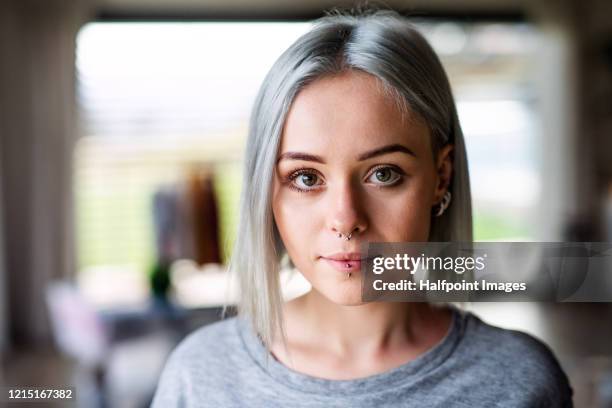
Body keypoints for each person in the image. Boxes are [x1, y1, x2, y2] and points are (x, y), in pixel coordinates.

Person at [152, 9, 573, 407]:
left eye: (384, 173)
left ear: (440, 177)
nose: (346, 219)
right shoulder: (200, 376)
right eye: (305, 178)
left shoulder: (519, 378)